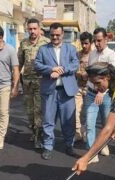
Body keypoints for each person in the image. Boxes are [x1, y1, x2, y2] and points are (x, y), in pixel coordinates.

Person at [34, 22, 79, 160]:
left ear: (62, 34)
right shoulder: (43, 49)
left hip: (67, 91)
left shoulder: (70, 48)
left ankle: (69, 145)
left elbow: (75, 64)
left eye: (57, 35)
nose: (55, 37)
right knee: (48, 120)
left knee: (68, 120)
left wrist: (61, 70)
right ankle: (48, 147)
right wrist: (50, 70)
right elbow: (37, 65)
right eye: (52, 35)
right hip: (49, 91)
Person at [84, 27, 115, 163]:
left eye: (99, 40)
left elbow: (111, 78)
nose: (97, 43)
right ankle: (92, 152)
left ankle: (103, 145)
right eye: (95, 41)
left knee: (106, 123)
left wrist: (101, 92)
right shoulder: (92, 54)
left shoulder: (112, 56)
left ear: (106, 39)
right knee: (89, 123)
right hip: (91, 94)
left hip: (106, 95)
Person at [18, 18, 50, 148]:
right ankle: (34, 131)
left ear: (39, 29)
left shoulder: (46, 43)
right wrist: (15, 82)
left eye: (34, 28)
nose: (32, 31)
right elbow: (19, 63)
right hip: (27, 82)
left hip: (42, 81)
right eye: (30, 29)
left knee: (38, 110)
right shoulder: (23, 43)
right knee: (29, 111)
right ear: (27, 29)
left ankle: (39, 136)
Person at [75, 31, 93, 142]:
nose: (84, 46)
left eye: (86, 43)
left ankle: (86, 133)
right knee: (76, 111)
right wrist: (78, 73)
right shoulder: (78, 54)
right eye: (82, 43)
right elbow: (74, 67)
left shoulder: (94, 55)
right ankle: (78, 133)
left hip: (90, 88)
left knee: (88, 112)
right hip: (78, 87)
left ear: (91, 43)